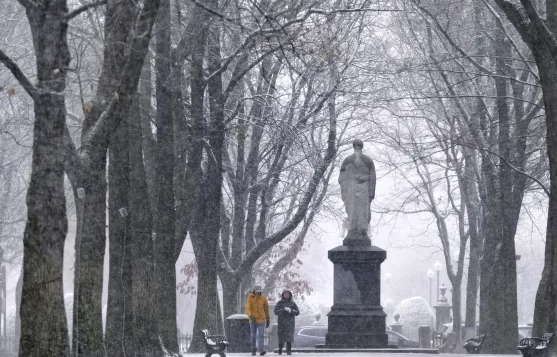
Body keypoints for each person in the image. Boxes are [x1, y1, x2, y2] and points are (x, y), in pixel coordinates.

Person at [338, 138, 376, 244]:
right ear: (354, 147)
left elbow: (372, 177)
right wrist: (346, 189)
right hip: (351, 190)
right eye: (356, 147)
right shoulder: (348, 160)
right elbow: (342, 177)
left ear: (362, 148)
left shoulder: (368, 161)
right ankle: (353, 230)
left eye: (359, 147)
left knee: (364, 212)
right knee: (352, 210)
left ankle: (362, 231)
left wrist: (371, 193)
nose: (357, 149)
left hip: (364, 191)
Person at [274, 288, 300, 355]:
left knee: (289, 337)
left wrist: (291, 311)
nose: (287, 295)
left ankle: (289, 350)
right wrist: (283, 310)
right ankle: (280, 349)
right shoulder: (280, 303)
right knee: (281, 337)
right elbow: (276, 311)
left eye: (288, 294)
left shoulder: (292, 303)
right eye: (285, 294)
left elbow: (297, 312)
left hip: (290, 323)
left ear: (290, 295)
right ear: (283, 294)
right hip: (281, 323)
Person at [246, 285, 270, 356]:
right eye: (257, 291)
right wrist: (250, 316)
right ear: (254, 291)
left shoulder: (263, 299)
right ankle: (253, 349)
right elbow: (248, 309)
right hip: (253, 320)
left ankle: (261, 350)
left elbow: (266, 309)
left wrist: (268, 318)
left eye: (259, 292)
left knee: (261, 335)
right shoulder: (250, 298)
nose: (258, 293)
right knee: (253, 336)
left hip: (261, 320)